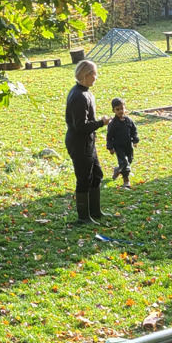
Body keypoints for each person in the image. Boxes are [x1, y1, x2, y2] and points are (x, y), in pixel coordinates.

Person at [63, 59, 109, 223]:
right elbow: (80, 126)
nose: (96, 77)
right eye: (94, 74)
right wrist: (101, 123)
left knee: (97, 175)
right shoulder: (79, 96)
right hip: (79, 142)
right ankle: (83, 217)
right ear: (87, 75)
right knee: (84, 178)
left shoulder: (86, 92)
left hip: (88, 142)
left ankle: (95, 212)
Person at [106, 97, 139, 189]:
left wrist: (135, 140)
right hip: (118, 146)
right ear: (113, 110)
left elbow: (134, 130)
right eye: (118, 109)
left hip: (128, 145)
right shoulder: (113, 124)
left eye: (122, 108)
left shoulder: (129, 121)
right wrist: (110, 147)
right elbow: (109, 136)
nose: (120, 111)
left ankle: (118, 169)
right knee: (124, 162)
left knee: (129, 160)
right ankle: (126, 180)